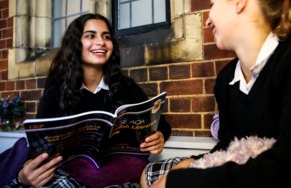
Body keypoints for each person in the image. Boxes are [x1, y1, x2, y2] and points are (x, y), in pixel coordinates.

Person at [140, 0, 291, 188]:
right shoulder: (226, 79)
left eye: (212, 5)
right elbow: (230, 148)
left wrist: (179, 182)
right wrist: (191, 163)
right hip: (254, 171)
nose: (207, 20)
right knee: (150, 175)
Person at [8, 13, 171, 187]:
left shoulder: (126, 87)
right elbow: (40, 152)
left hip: (124, 174)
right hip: (74, 179)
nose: (101, 42)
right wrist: (25, 175)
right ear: (75, 44)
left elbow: (160, 125)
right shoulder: (54, 95)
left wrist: (159, 135)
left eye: (106, 37)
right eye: (90, 36)